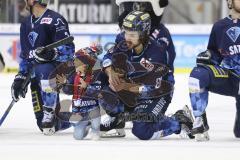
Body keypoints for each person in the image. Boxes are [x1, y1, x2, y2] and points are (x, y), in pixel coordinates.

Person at [100, 11, 194, 140]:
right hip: (132, 87)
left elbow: (151, 89)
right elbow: (108, 57)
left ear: (144, 35)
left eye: (132, 34)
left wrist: (124, 87)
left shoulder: (157, 53)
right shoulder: (123, 39)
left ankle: (179, 120)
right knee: (100, 84)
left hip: (158, 92)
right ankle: (118, 118)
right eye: (126, 32)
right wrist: (110, 72)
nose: (127, 38)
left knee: (142, 131)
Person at [11, 0, 75, 135]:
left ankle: (50, 112)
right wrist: (20, 77)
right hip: (37, 77)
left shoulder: (56, 20)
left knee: (44, 68)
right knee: (43, 125)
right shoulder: (25, 23)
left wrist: (52, 53)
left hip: (57, 73)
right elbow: (26, 56)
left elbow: (69, 50)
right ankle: (73, 120)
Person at [189, 0, 240, 141]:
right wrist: (209, 56)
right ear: (230, 1)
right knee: (197, 76)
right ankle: (200, 121)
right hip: (230, 77)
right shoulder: (219, 26)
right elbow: (214, 52)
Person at [56, 45, 102, 140]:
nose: (75, 62)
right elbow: (69, 90)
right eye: (76, 60)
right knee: (78, 136)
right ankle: (86, 124)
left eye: (78, 60)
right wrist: (65, 84)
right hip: (80, 108)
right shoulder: (75, 74)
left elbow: (99, 93)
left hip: (93, 107)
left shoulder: (97, 74)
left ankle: (95, 128)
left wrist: (87, 87)